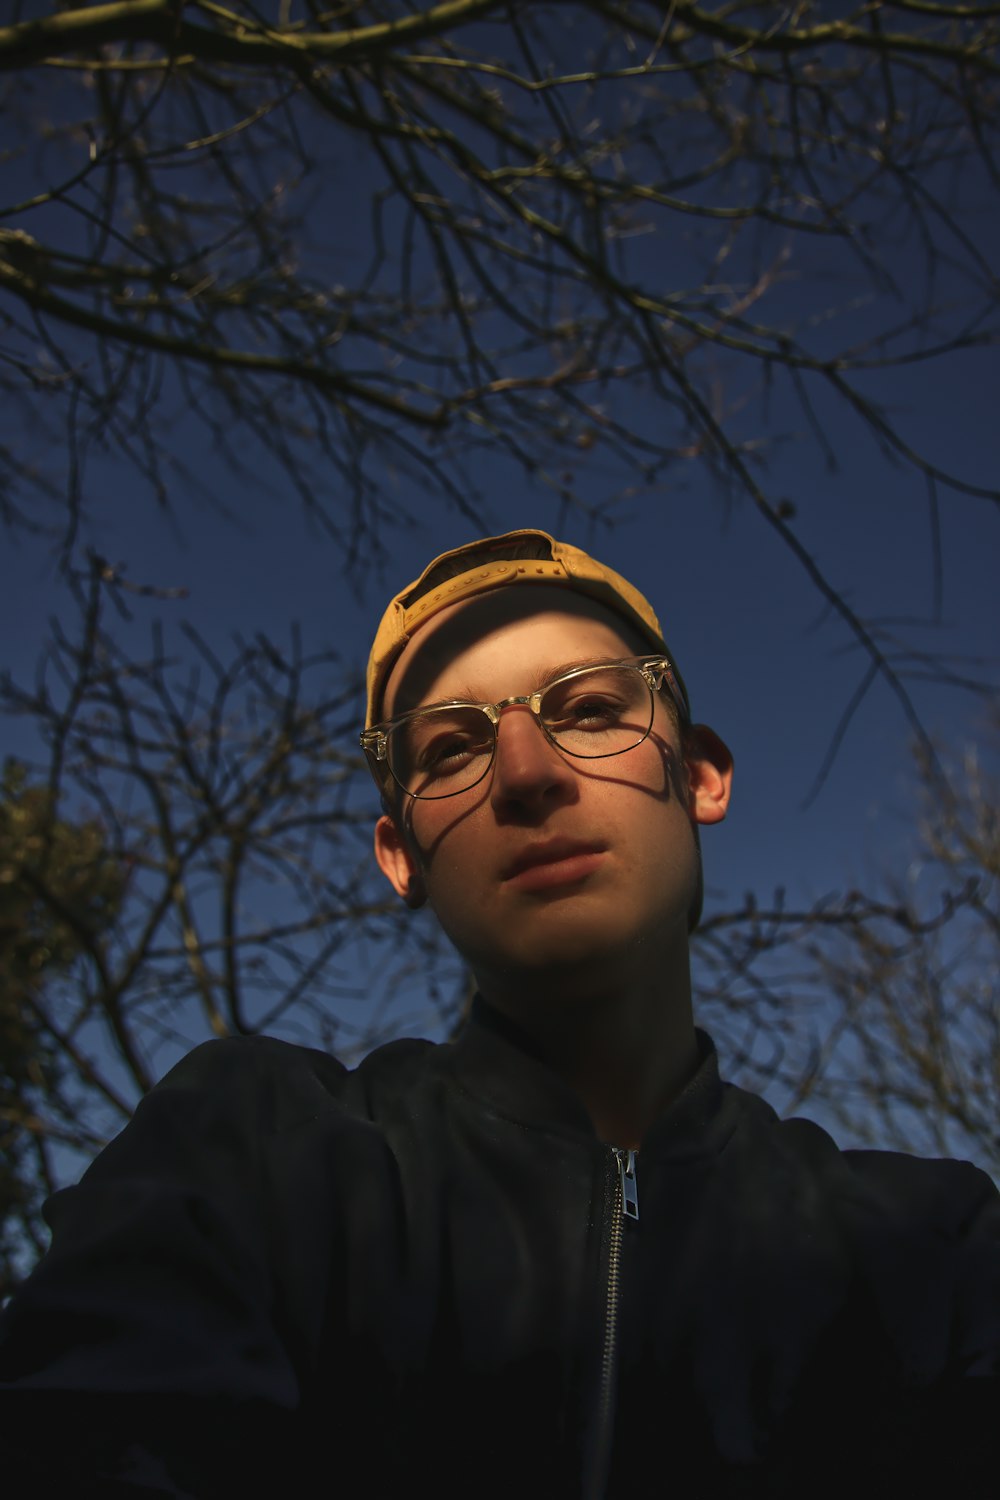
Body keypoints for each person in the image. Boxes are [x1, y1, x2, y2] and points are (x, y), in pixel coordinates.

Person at [1, 528, 998, 1498]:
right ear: (400, 855)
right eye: (448, 749)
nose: (526, 772)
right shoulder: (250, 1158)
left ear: (697, 774)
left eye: (592, 709)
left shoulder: (934, 1252)